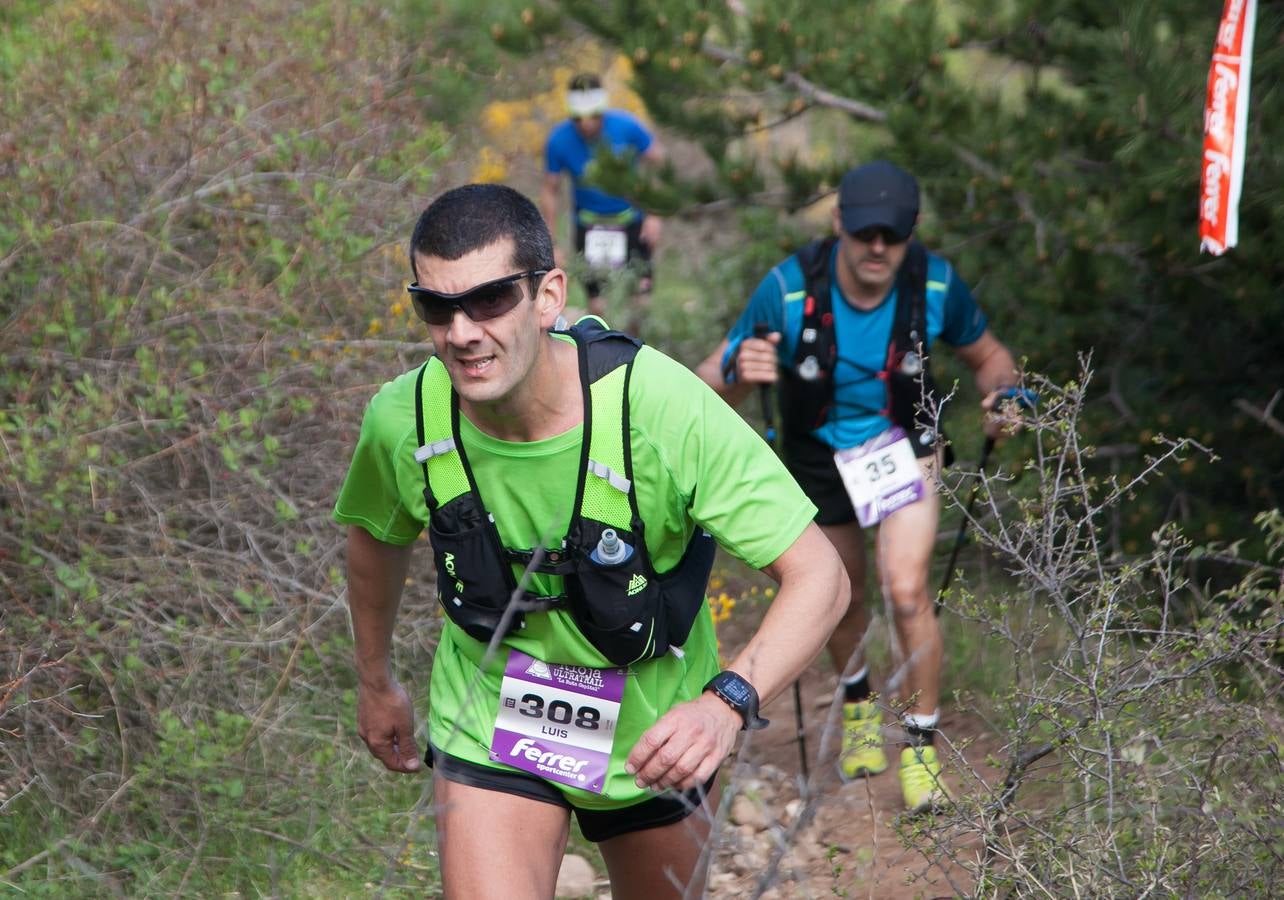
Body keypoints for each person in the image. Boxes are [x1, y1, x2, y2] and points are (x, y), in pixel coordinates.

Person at [335, 183, 848, 898]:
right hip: (491, 723)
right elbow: (375, 541)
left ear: (548, 296)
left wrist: (725, 702)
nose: (462, 332)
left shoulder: (660, 409)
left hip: (655, 740)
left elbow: (821, 575)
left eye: (489, 301)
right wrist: (374, 679)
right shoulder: (406, 419)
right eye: (437, 306)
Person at [695, 160, 1021, 814]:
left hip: (906, 448)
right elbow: (705, 385)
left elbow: (988, 355)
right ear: (839, 222)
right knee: (840, 596)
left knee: (905, 589)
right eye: (866, 232)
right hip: (817, 454)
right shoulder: (788, 290)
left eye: (892, 235)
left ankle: (923, 744)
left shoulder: (933, 284)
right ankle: (860, 706)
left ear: (912, 231)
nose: (878, 248)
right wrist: (737, 366)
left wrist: (1004, 397)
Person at [540, 73, 664, 322]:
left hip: (632, 221)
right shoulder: (558, 139)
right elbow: (550, 190)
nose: (586, 124)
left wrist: (654, 214)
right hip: (589, 226)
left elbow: (658, 161)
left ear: (603, 110)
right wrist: (550, 243)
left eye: (594, 115)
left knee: (640, 300)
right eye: (579, 118)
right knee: (597, 305)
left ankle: (635, 353)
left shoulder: (626, 127)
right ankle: (602, 354)